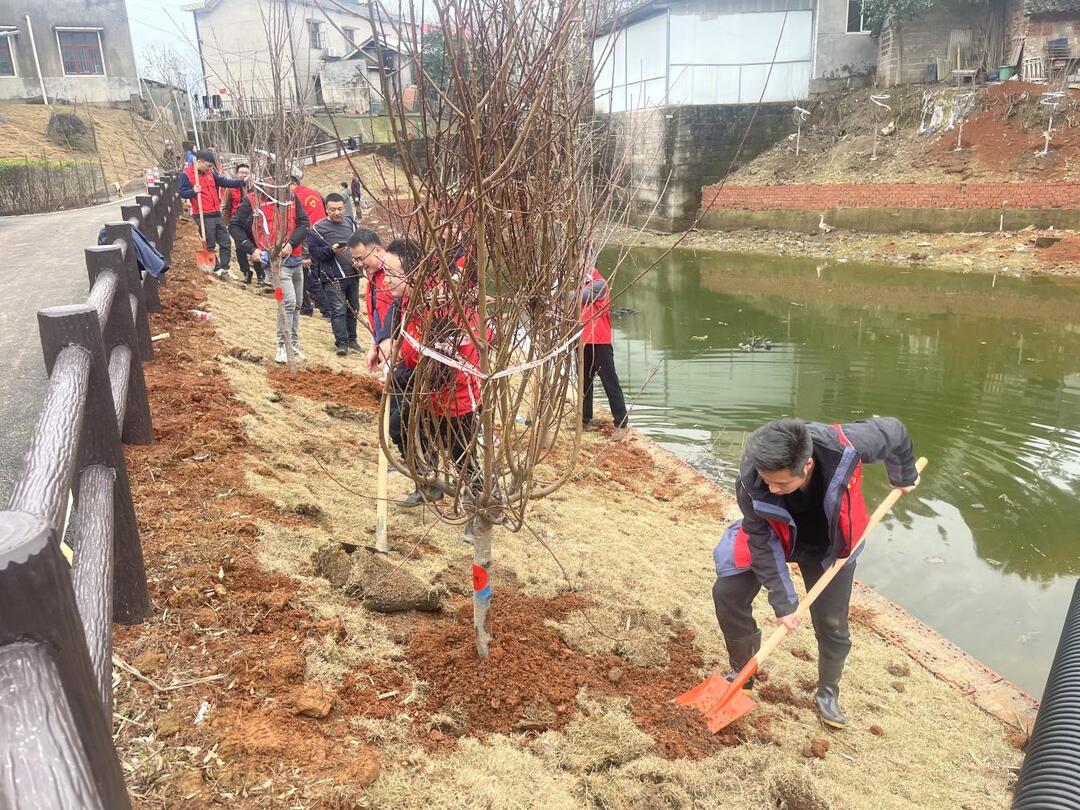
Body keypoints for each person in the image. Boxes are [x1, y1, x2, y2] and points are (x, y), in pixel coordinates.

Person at [712, 417, 919, 729]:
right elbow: (761, 541)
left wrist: (903, 475)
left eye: (781, 483)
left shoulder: (847, 446)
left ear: (807, 465)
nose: (772, 488)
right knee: (727, 593)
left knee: (833, 624)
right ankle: (742, 672)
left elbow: (896, 430)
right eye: (767, 481)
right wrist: (783, 602)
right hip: (776, 536)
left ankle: (827, 691)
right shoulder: (753, 476)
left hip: (829, 545)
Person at [231, 180, 310, 362]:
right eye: (270, 182)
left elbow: (304, 223)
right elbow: (234, 226)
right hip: (274, 264)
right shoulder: (252, 201)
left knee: (297, 303)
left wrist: (291, 244)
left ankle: (294, 344)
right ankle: (283, 346)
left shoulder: (291, 198)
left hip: (295, 259)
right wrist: (252, 250)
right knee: (286, 302)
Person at [179, 149, 246, 277]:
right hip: (202, 214)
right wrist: (193, 191)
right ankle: (215, 268)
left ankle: (225, 267)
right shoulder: (187, 174)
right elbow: (182, 192)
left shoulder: (209, 173)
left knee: (225, 241)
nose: (209, 168)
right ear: (200, 162)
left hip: (216, 212)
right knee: (210, 243)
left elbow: (222, 182)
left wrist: (240, 183)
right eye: (208, 166)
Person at [580, 266, 628, 440]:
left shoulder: (599, 284)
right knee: (584, 382)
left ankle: (621, 423)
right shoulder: (584, 283)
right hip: (583, 341)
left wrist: (560, 292)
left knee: (610, 382)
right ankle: (585, 419)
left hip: (600, 341)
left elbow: (579, 297)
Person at [309, 193, 359, 357]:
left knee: (354, 309)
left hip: (353, 274)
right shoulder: (317, 229)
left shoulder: (350, 223)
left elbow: (359, 244)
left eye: (339, 209)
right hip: (333, 277)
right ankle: (342, 343)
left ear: (344, 208)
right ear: (326, 209)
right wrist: (331, 250)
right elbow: (315, 253)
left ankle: (353, 340)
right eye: (332, 209)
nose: (337, 213)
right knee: (338, 310)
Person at [288, 167, 331, 320]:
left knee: (308, 279)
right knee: (314, 277)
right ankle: (308, 307)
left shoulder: (294, 197)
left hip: (306, 240)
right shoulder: (314, 193)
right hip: (322, 237)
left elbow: (302, 225)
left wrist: (304, 253)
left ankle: (325, 310)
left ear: (292, 183)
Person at [222, 163, 258, 284]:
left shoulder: (255, 187)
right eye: (241, 172)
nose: (244, 174)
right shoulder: (231, 188)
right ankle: (246, 272)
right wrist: (227, 224)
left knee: (255, 248)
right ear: (237, 174)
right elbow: (226, 207)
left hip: (253, 223)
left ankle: (261, 275)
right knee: (240, 249)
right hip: (237, 223)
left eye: (246, 172)